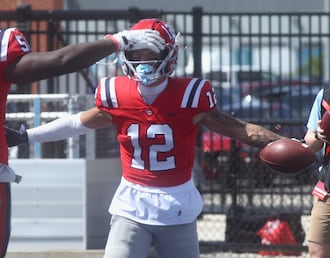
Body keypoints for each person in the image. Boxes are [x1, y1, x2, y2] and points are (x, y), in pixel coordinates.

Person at [6, 19, 286, 258]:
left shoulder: (190, 95)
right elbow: (79, 122)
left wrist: (291, 145)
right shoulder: (117, 93)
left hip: (177, 204)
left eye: (149, 54)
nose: (142, 62)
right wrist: (28, 135)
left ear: (169, 55)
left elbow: (239, 128)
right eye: (136, 55)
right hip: (132, 203)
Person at [0, 26, 163, 258]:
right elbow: (60, 61)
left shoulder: (187, 92)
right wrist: (115, 41)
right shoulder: (117, 91)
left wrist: (28, 135)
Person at [304, 83, 330, 258]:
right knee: (317, 250)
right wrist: (319, 135)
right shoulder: (325, 95)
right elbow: (310, 141)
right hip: (329, 183)